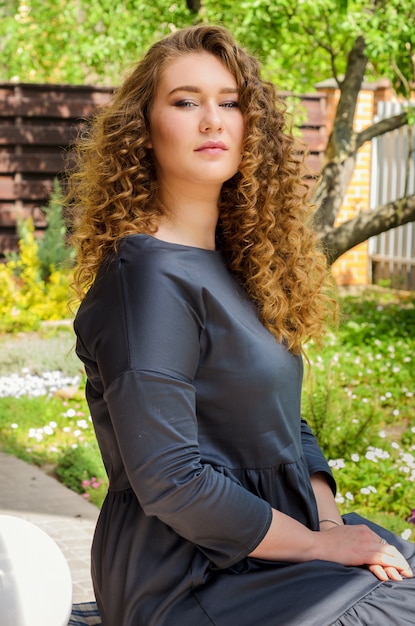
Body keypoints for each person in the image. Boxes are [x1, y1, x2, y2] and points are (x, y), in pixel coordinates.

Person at [67, 24, 415, 626]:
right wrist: (320, 545)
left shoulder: (241, 266)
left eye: (230, 102)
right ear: (142, 132)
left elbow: (287, 423)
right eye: (185, 102)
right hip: (191, 574)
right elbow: (173, 481)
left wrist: (330, 525)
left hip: (288, 542)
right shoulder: (145, 278)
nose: (213, 120)